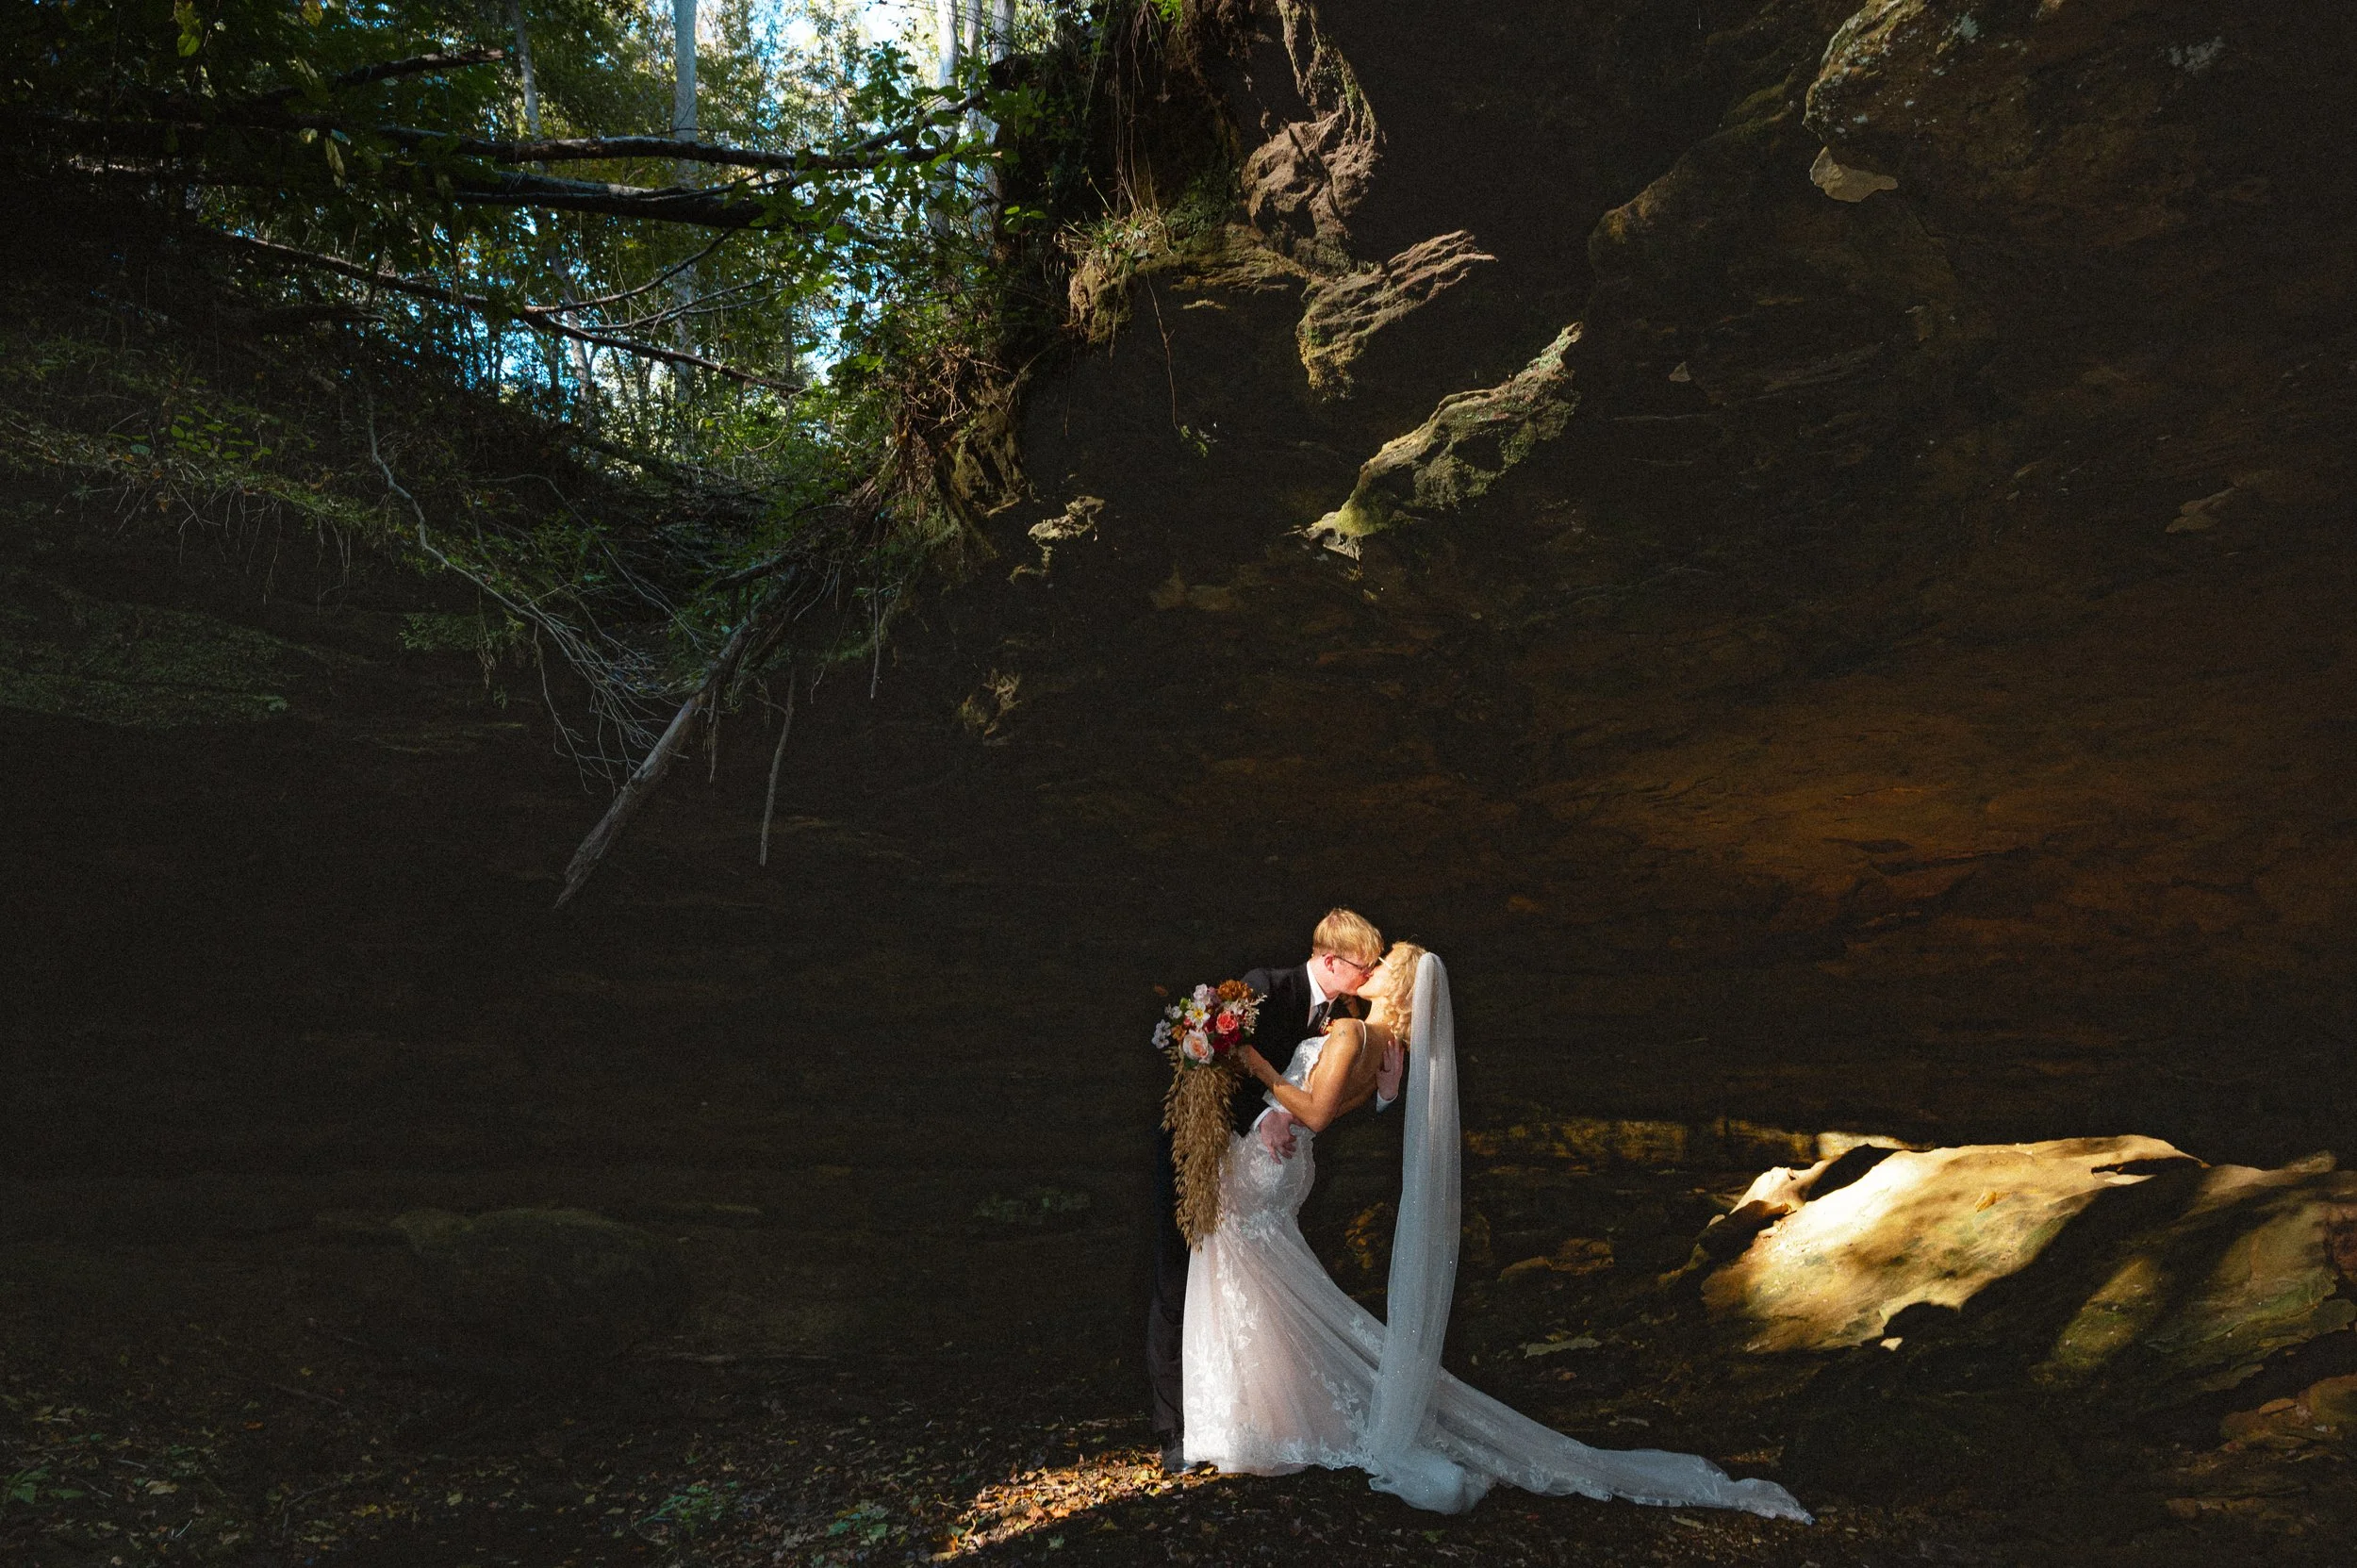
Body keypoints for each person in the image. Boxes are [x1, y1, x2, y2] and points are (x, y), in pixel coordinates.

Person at [1179, 942, 1810, 1523]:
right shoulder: (1387, 1049)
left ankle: (1245, 1421)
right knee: (1260, 1273)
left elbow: (1311, 1106)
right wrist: (1375, 1100)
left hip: (1269, 1158)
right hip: (1291, 1161)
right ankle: (1257, 1416)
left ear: (1397, 983)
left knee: (1235, 1258)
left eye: (1386, 959)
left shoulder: (1349, 1029)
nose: (1371, 961)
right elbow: (1331, 1110)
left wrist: (1256, 1083)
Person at [1146, 908, 1390, 1473]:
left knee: (1242, 1286)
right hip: (1198, 1151)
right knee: (1175, 1281)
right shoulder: (1264, 989)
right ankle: (1171, 1428)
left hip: (1256, 1171)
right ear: (1330, 960)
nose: (1368, 974)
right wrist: (1266, 1117)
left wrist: (1380, 1094)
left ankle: (1245, 1413)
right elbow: (1214, 1072)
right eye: (1362, 965)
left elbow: (1325, 1097)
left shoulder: (1346, 1015)